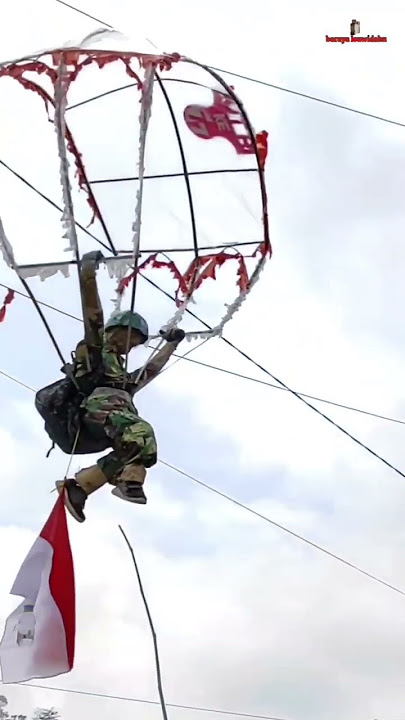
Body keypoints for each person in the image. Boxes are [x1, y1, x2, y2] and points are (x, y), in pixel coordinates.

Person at [35, 250, 185, 523]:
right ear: (115, 331)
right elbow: (93, 316)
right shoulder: (96, 352)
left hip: (113, 415)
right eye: (130, 337)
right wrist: (87, 274)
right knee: (141, 431)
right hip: (95, 410)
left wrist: (171, 344)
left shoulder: (121, 376)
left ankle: (81, 487)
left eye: (137, 342)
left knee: (136, 445)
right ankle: (128, 483)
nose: (131, 345)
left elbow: (149, 370)